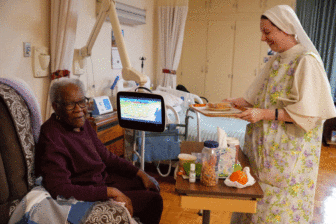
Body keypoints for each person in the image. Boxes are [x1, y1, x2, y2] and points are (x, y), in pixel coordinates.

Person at [226, 5, 336, 223]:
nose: (263, 38)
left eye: (267, 32)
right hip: (261, 148)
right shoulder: (276, 60)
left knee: (275, 211)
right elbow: (258, 95)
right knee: (252, 202)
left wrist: (262, 114)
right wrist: (236, 103)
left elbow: (307, 114)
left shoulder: (306, 61)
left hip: (287, 153)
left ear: (286, 28)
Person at [35, 78, 163, 224]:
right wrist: (109, 192)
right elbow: (59, 188)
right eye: (71, 104)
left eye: (81, 102)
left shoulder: (83, 123)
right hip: (88, 190)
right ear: (56, 107)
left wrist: (140, 173)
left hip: (102, 180)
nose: (79, 110)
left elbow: (107, 157)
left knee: (147, 185)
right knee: (154, 201)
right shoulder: (52, 136)